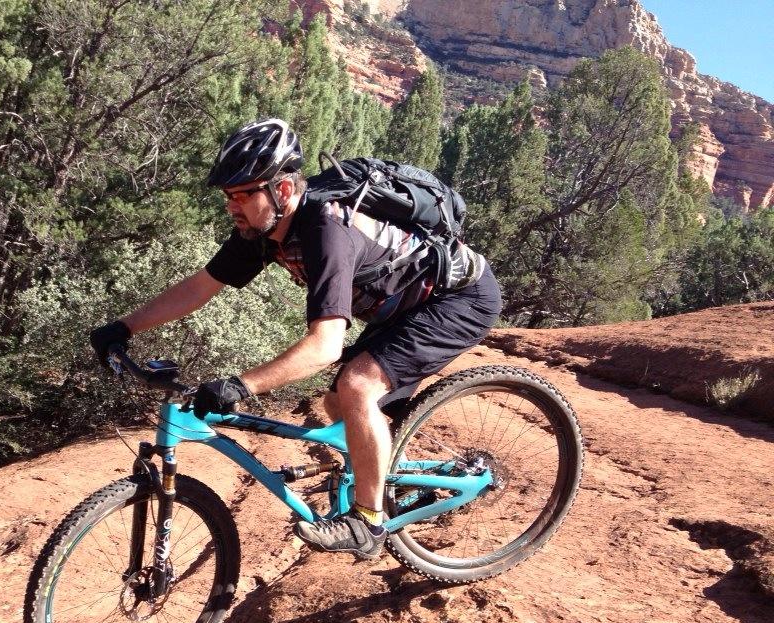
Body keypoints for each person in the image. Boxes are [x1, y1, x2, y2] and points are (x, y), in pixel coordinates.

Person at [90, 118, 501, 560]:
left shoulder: (327, 231)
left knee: (358, 385)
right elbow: (201, 286)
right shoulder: (262, 230)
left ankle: (368, 523)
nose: (232, 205)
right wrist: (125, 327)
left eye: (243, 194)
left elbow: (325, 346)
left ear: (282, 191)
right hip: (400, 306)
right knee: (338, 404)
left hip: (460, 298)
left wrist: (241, 385)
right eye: (228, 195)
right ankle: (390, 482)